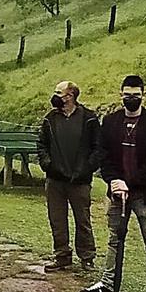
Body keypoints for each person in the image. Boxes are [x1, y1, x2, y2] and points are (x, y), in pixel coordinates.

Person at [79, 75, 146, 292]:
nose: (131, 99)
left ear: (143, 95)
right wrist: (114, 182)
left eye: (136, 95)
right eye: (127, 95)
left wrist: (129, 183)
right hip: (118, 194)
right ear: (120, 94)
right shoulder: (111, 122)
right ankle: (108, 283)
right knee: (114, 239)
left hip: (145, 195)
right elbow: (104, 155)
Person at [37, 81, 100, 272]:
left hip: (80, 180)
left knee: (83, 219)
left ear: (70, 95)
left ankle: (87, 257)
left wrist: (87, 169)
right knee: (57, 219)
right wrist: (48, 165)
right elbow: (41, 145)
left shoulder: (89, 119)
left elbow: (98, 148)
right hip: (55, 179)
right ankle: (62, 255)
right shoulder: (50, 119)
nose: (55, 96)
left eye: (59, 92)